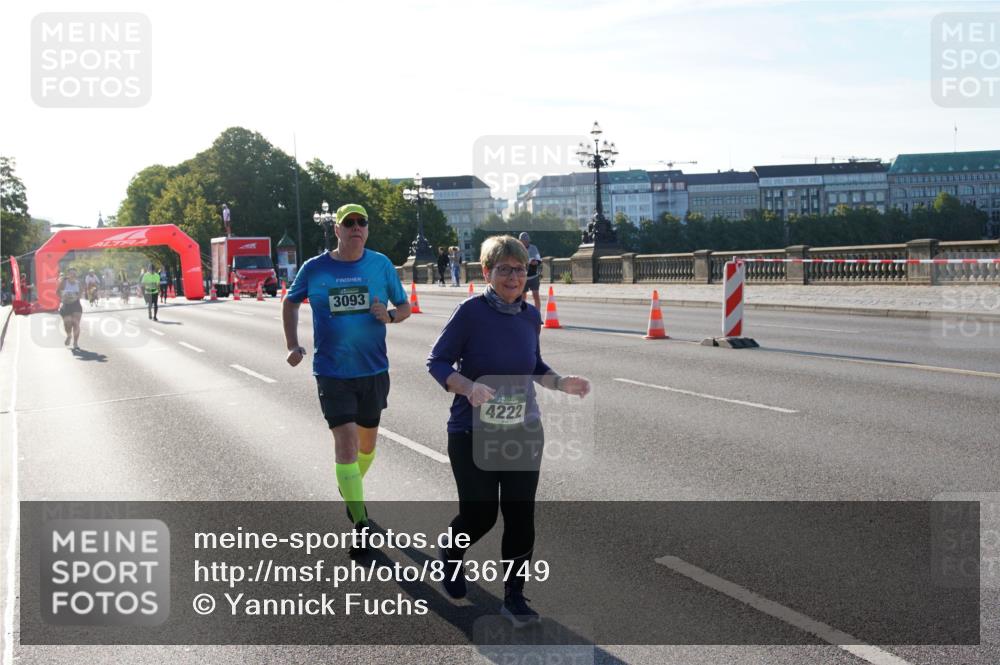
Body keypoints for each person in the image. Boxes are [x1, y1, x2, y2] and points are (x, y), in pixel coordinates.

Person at [426, 235, 591, 626]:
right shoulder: (469, 313)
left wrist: (560, 382)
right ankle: (450, 554)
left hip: (523, 429)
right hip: (472, 431)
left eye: (520, 269)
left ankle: (514, 596)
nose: (514, 277)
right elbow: (437, 361)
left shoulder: (530, 317)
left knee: (520, 516)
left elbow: (532, 366)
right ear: (487, 272)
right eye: (504, 269)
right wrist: (467, 387)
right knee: (479, 515)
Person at [282, 203, 411, 556]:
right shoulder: (315, 268)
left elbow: (405, 307)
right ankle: (360, 522)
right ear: (336, 230)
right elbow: (290, 302)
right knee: (347, 445)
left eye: (361, 223)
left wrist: (390, 316)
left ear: (367, 230)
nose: (356, 227)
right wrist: (292, 344)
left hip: (373, 370)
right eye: (348, 223)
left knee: (367, 448)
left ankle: (350, 487)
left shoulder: (381, 264)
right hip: (332, 371)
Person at [57, 267, 84, 350]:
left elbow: (81, 293)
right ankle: (69, 335)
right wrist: (63, 297)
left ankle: (75, 343)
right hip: (66, 304)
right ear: (68, 274)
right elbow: (57, 292)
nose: (73, 275)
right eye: (71, 273)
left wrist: (76, 297)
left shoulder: (78, 283)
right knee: (67, 324)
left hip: (76, 304)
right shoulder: (64, 282)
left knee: (76, 324)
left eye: (75, 273)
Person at [518, 232, 542, 310]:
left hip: (534, 276)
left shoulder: (534, 248)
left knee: (536, 295)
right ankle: (523, 315)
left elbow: (539, 259)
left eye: (527, 240)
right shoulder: (518, 250)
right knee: (523, 297)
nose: (525, 242)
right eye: (523, 241)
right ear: (520, 241)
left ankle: (537, 315)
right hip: (522, 277)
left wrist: (536, 262)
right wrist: (528, 261)